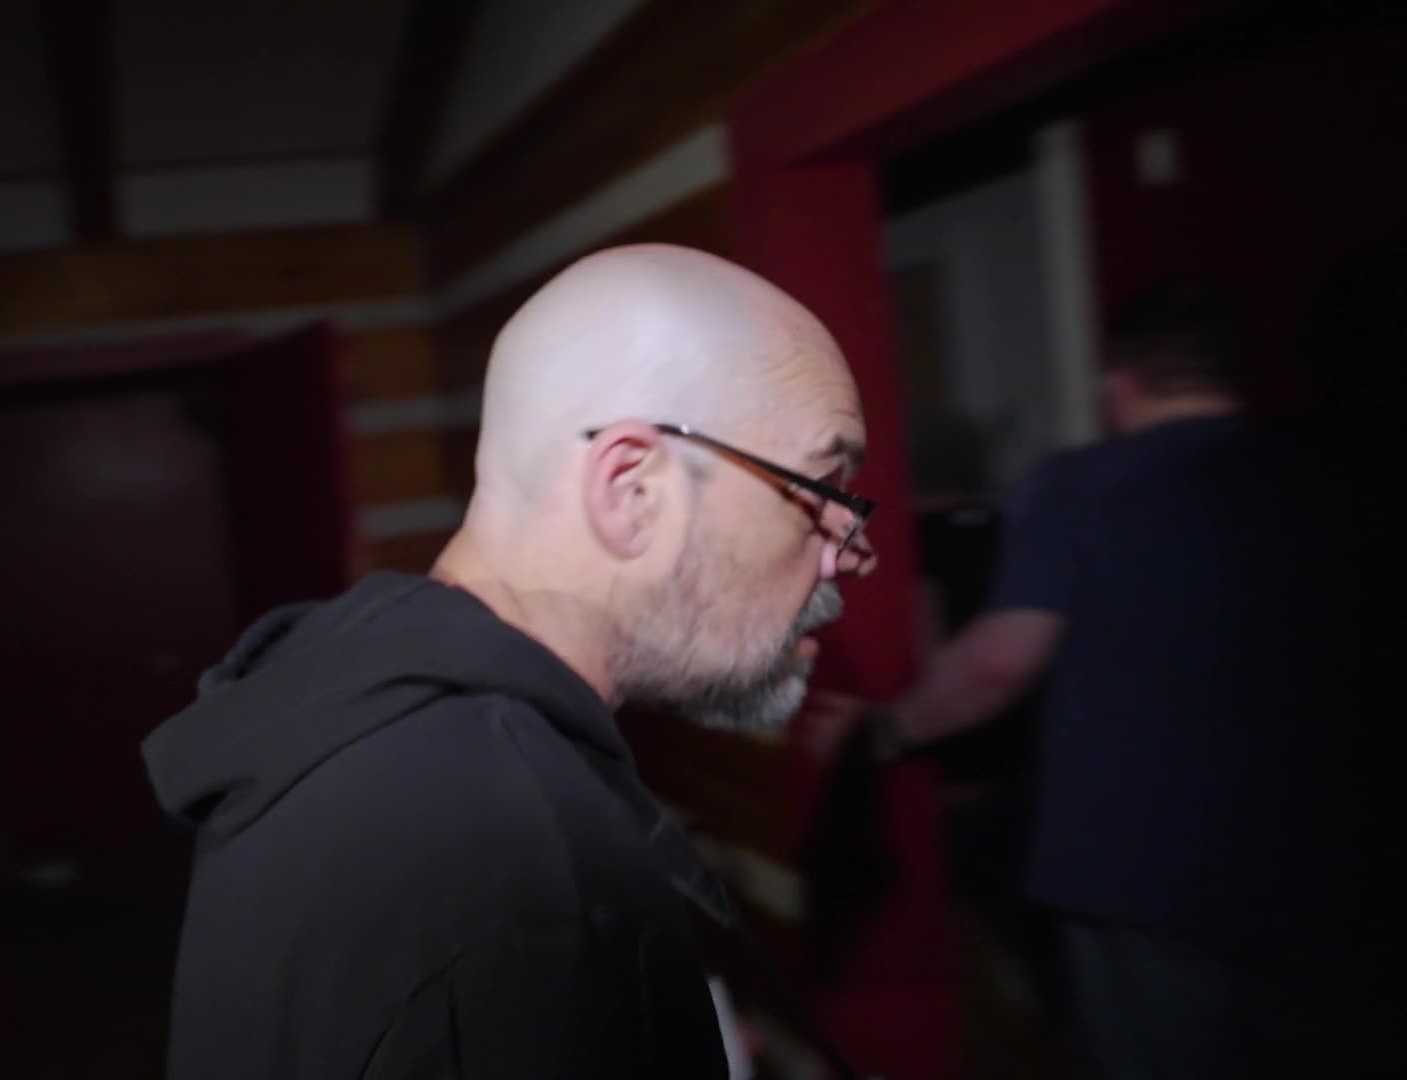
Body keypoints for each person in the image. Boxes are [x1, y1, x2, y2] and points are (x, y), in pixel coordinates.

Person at [142, 244, 878, 1078]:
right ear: (632, 490)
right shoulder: (535, 870)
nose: (853, 554)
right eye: (823, 493)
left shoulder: (347, 704)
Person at [863, 280, 1385, 1078]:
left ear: (1121, 384)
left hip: (1139, 868)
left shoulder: (1081, 485)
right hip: (1322, 865)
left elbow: (1000, 662)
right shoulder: (1332, 471)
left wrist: (884, 730)